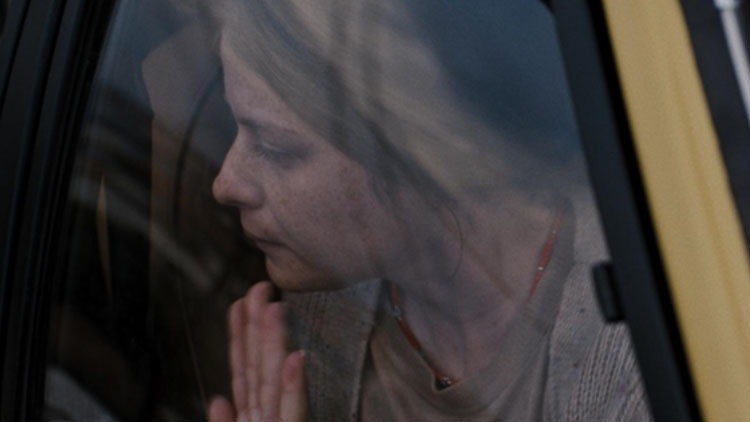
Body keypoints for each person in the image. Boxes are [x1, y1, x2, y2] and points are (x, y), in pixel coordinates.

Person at [205, 0, 651, 420]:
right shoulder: (316, 313)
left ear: (414, 154)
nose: (225, 184)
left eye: (276, 148)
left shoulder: (646, 349)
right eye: (234, 127)